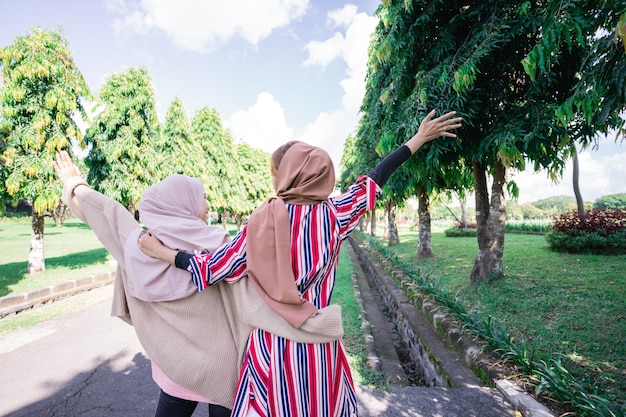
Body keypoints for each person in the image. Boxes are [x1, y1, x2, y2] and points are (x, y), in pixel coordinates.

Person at [139, 109, 462, 417]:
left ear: (287, 175)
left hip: (271, 343)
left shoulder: (263, 219)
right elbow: (376, 178)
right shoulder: (336, 214)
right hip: (319, 342)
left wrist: (162, 253)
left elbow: (214, 269)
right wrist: (418, 138)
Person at [52, 151, 345, 417]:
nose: (207, 206)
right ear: (186, 205)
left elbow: (108, 214)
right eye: (202, 199)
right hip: (224, 370)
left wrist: (75, 183)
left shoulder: (141, 246)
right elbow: (265, 288)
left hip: (177, 369)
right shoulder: (219, 245)